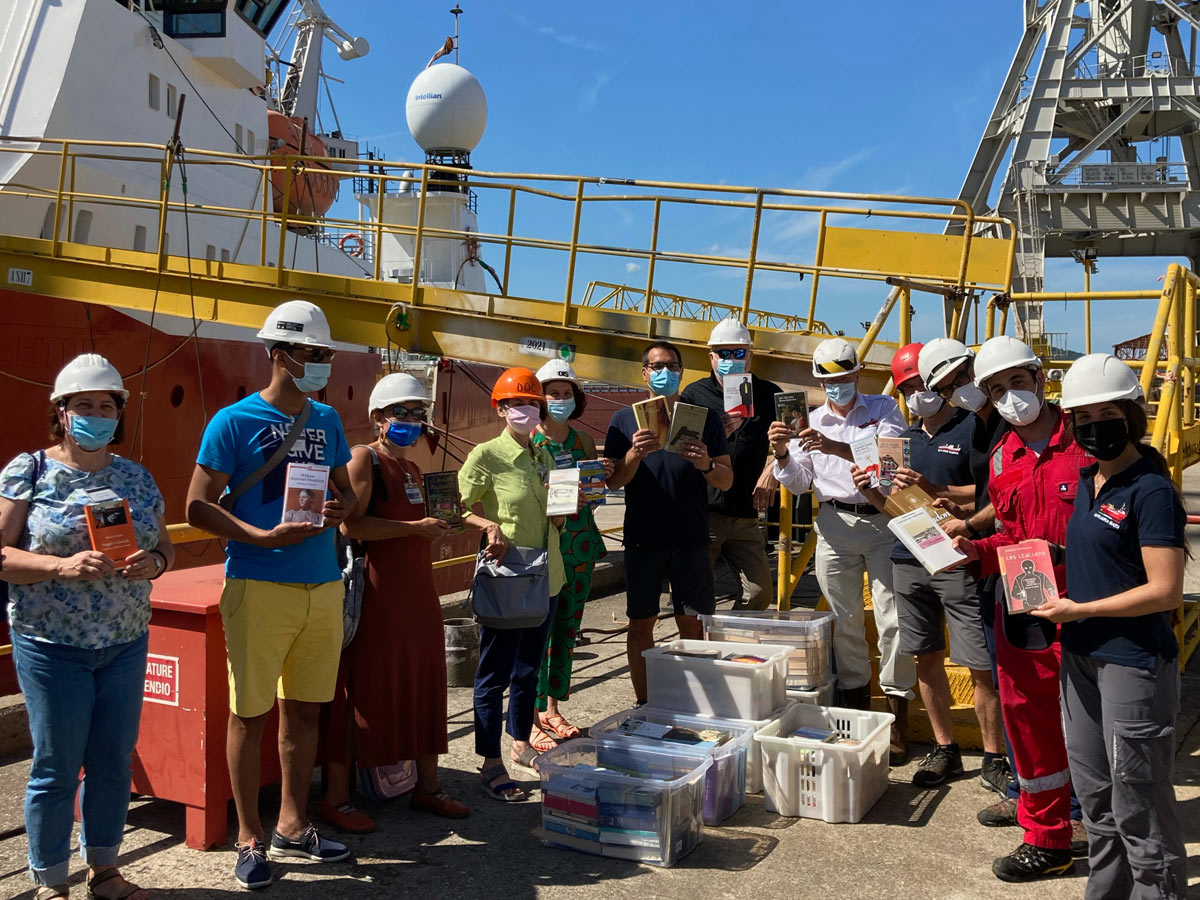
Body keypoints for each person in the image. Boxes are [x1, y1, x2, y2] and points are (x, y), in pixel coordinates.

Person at [186, 300, 356, 890]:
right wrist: (261, 535)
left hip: (323, 584)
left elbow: (348, 497)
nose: (324, 364)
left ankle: (293, 823)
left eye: (327, 355)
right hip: (258, 584)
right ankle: (249, 838)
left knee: (305, 710)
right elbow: (197, 504)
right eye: (315, 354)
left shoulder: (328, 421)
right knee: (249, 713)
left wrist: (341, 510)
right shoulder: (232, 423)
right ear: (280, 354)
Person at [0, 354, 174, 900]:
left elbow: (164, 543)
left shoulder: (135, 476)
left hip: (124, 641)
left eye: (106, 406)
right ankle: (51, 880)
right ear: (62, 411)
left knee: (112, 762)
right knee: (55, 766)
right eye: (85, 405)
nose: (96, 414)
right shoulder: (29, 471)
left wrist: (156, 563)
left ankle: (104, 869)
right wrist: (60, 565)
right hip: (53, 645)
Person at [1034, 353, 1187, 898]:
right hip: (1079, 658)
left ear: (1131, 416)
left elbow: (1164, 589)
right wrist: (1043, 555)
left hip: (1131, 661)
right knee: (1097, 798)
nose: (1093, 427)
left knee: (1138, 801)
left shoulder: (1150, 490)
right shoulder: (1087, 480)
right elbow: (1104, 558)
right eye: (1082, 417)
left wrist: (1082, 610)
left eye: (1105, 414)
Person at [953, 335, 1091, 883]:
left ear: (1039, 376)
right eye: (996, 388)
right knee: (1030, 727)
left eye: (1017, 381)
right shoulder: (1003, 456)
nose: (1010, 396)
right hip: (1025, 610)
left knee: (1096, 730)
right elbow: (1008, 537)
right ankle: (1048, 837)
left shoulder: (1087, 441)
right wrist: (971, 551)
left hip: (1088, 609)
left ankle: (1103, 827)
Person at [321, 373, 468, 833]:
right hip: (379, 592)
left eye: (416, 413)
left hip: (417, 591)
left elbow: (420, 523)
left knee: (426, 682)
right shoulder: (365, 458)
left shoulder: (413, 469)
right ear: (377, 418)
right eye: (399, 412)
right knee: (362, 689)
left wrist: (444, 523)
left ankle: (428, 785)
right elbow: (353, 527)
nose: (409, 420)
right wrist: (415, 528)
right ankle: (338, 798)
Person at [768, 337, 915, 764]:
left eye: (844, 376)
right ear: (819, 381)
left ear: (857, 374)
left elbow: (889, 466)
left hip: (883, 518)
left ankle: (897, 719)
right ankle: (857, 715)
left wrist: (833, 446)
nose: (837, 385)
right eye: (828, 379)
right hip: (833, 522)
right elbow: (798, 481)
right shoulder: (807, 421)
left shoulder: (885, 411)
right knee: (846, 623)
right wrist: (781, 452)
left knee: (894, 622)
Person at [878, 343, 1004, 787]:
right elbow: (890, 504)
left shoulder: (974, 427)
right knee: (925, 656)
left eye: (923, 385)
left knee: (978, 659)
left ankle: (993, 755)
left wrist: (933, 486)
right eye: (908, 387)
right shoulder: (903, 441)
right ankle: (944, 747)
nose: (918, 394)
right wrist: (870, 487)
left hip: (956, 555)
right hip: (908, 557)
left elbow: (990, 493)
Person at [458, 367, 567, 801]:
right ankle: (490, 761)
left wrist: (563, 510)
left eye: (531, 403)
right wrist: (488, 525)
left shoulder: (546, 456)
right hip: (508, 579)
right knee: (494, 673)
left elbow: (557, 512)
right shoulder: (486, 455)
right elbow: (454, 505)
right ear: (500, 409)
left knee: (528, 671)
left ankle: (520, 743)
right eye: (516, 404)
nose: (525, 410)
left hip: (548, 578)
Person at [605, 340, 732, 706]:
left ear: (681, 371)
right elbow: (614, 482)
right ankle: (645, 702)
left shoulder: (703, 418)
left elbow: (725, 480)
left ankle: (697, 701)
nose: (665, 372)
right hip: (644, 538)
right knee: (641, 623)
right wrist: (633, 454)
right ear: (645, 373)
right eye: (657, 366)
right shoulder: (623, 420)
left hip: (691, 536)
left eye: (672, 366)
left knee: (693, 624)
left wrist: (706, 463)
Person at [528, 359, 611, 749]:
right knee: (536, 634)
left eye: (567, 394)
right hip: (547, 547)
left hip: (580, 545)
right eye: (553, 394)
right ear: (539, 398)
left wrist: (595, 485)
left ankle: (553, 709)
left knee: (567, 632)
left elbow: (593, 500)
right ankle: (528, 715)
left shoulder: (582, 442)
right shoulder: (528, 441)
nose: (560, 400)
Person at [680, 316, 781, 610]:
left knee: (760, 592)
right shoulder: (694, 395)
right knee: (697, 593)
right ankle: (706, 648)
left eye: (738, 353)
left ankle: (734, 639)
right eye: (723, 354)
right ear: (711, 357)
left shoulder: (768, 394)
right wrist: (717, 435)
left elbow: (794, 441)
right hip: (704, 511)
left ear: (750, 356)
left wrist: (772, 468)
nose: (730, 359)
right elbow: (681, 450)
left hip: (745, 514)